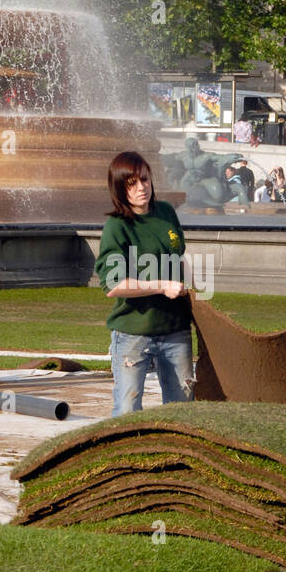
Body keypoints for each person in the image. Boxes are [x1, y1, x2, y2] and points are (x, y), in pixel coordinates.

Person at [93, 151, 192, 417]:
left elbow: (179, 257)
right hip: (133, 331)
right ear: (119, 188)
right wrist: (162, 286)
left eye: (145, 180)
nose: (141, 188)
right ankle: (122, 458)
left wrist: (193, 291)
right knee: (128, 409)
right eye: (132, 183)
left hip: (175, 329)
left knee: (182, 409)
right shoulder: (117, 226)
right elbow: (113, 284)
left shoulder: (166, 212)